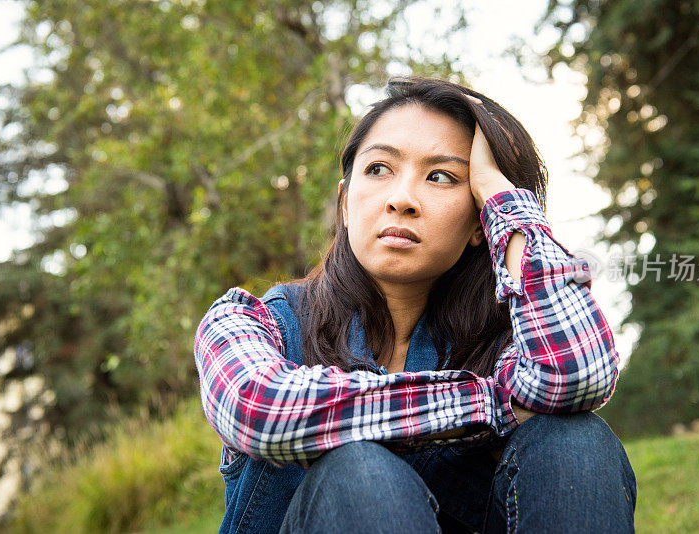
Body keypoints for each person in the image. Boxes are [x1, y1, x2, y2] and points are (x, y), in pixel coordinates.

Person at [194, 76, 636, 533]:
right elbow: (261, 410)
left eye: (441, 176)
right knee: (360, 473)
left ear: (478, 224)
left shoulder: (508, 344)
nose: (402, 199)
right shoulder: (253, 322)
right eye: (379, 169)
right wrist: (487, 405)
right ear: (345, 204)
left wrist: (504, 202)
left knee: (574, 441)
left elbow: (579, 374)